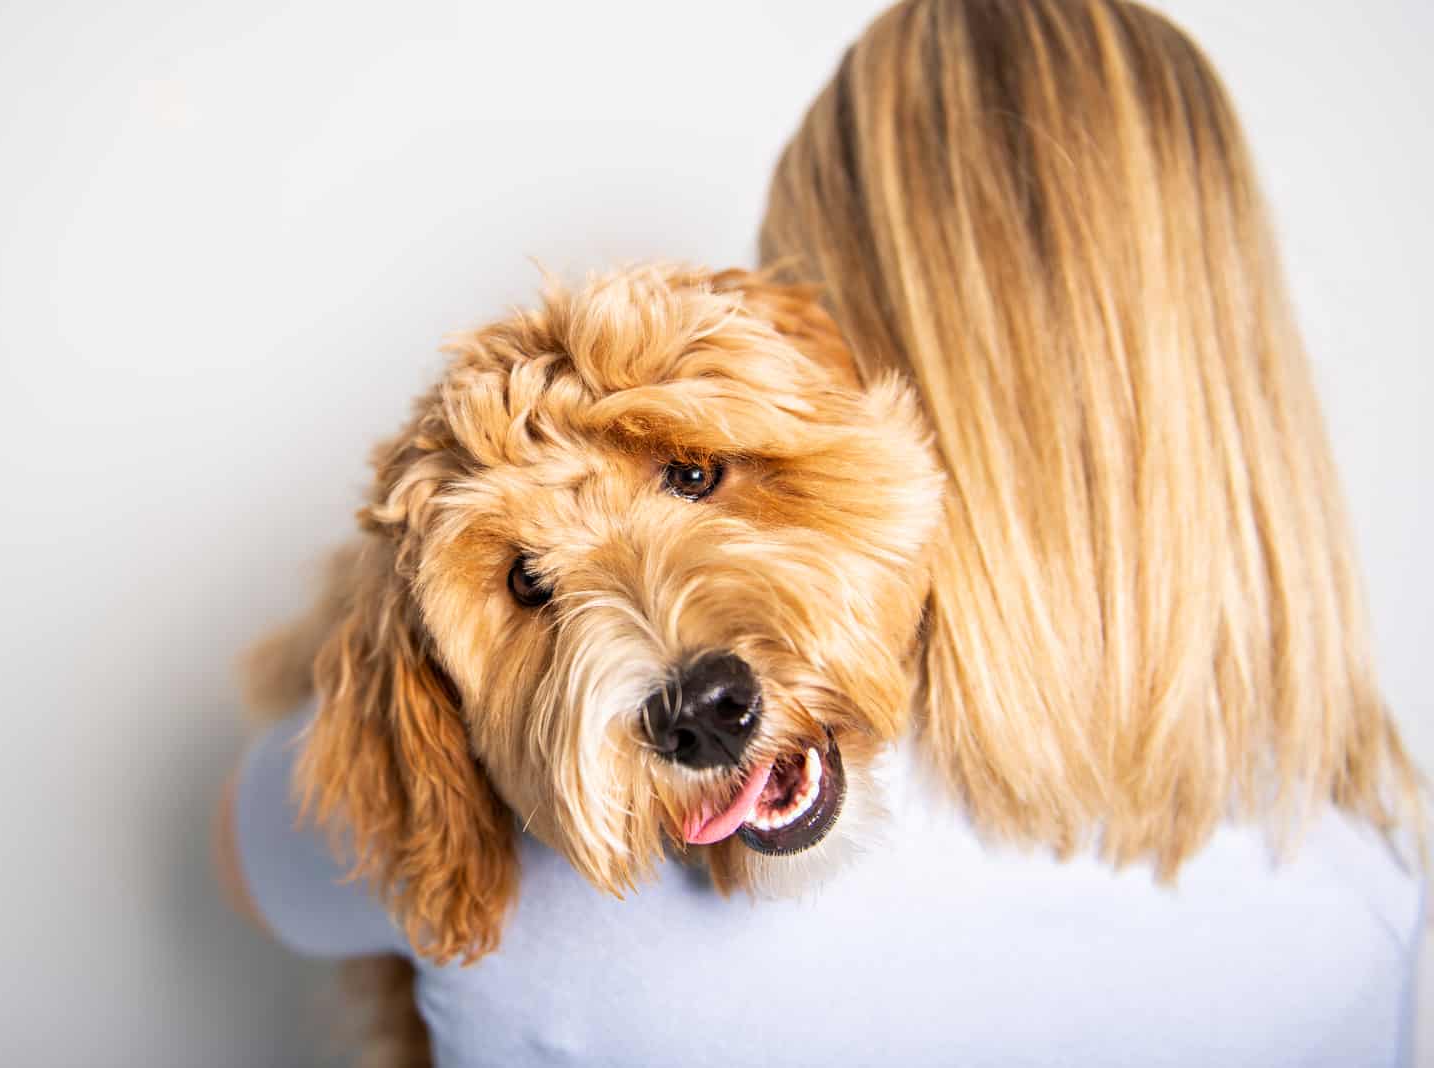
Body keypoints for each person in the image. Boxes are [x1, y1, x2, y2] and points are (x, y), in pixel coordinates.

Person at [217, 1, 1425, 1064]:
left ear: (856, 350)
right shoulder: (1373, 880)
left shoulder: (550, 916)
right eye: (532, 581)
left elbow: (255, 859)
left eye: (694, 472)